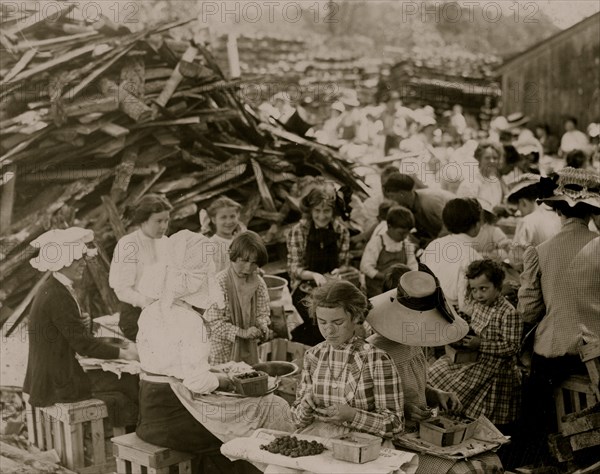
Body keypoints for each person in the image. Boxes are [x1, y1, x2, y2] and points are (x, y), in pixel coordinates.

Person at [135, 230, 278, 474]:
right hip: (176, 418)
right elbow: (197, 381)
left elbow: (174, 368)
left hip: (149, 413)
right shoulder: (190, 320)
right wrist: (227, 378)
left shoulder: (152, 311)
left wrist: (215, 370)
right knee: (256, 422)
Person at [517, 167, 600, 465]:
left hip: (557, 355)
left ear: (557, 210)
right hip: (597, 355)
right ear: (591, 212)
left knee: (532, 408)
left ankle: (537, 458)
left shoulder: (540, 251)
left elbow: (528, 310)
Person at [24, 228, 139, 426]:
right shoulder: (58, 295)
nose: (83, 264)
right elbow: (84, 347)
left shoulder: (53, 287)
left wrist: (82, 324)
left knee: (119, 378)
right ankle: (134, 436)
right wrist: (127, 354)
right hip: (57, 384)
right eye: (78, 259)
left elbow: (65, 331)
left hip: (48, 376)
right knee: (129, 381)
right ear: (63, 261)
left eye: (83, 258)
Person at [290, 280, 405, 441]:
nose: (329, 330)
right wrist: (305, 408)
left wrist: (352, 415)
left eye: (338, 322)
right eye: (322, 322)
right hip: (318, 439)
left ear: (356, 317)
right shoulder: (313, 356)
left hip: (362, 446)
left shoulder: (376, 360)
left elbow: (396, 426)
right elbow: (296, 419)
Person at [428, 259, 523, 427]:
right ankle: (450, 420)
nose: (478, 295)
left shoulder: (509, 313)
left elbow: (512, 347)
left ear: (498, 287)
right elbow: (474, 326)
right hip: (474, 358)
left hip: (495, 368)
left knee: (474, 404)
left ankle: (473, 428)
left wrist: (481, 344)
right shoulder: (479, 305)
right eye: (474, 290)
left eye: (484, 289)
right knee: (435, 372)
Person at [287, 182, 350, 345]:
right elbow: (294, 268)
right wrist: (314, 275)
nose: (322, 216)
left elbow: (344, 263)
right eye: (317, 211)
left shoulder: (341, 231)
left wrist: (337, 272)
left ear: (333, 211)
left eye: (327, 211)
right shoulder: (299, 231)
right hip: (304, 286)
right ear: (310, 211)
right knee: (313, 315)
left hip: (333, 284)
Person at [109, 194, 172, 341]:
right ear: (143, 221)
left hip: (164, 313)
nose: (163, 226)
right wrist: (146, 302)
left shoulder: (166, 242)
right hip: (136, 317)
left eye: (166, 221)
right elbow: (121, 289)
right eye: (158, 221)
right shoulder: (128, 245)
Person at [203, 231, 272, 365]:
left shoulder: (258, 283)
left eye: (254, 263)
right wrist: (242, 332)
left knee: (248, 377)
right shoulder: (219, 282)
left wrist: (262, 325)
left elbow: (263, 312)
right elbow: (214, 322)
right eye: (244, 261)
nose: (248, 268)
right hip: (222, 348)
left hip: (248, 347)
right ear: (233, 256)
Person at [420, 198, 483, 311]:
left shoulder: (434, 244)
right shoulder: (473, 257)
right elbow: (466, 306)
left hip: (425, 308)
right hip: (452, 316)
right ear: (477, 225)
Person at [383, 172, 454, 248]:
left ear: (402, 194)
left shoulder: (430, 201)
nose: (391, 200)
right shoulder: (408, 205)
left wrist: (434, 245)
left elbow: (449, 226)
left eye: (392, 196)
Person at [360, 205, 418, 297]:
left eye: (407, 233)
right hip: (378, 289)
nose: (404, 237)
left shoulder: (406, 245)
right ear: (389, 226)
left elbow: (413, 265)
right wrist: (385, 277)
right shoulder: (377, 242)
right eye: (401, 233)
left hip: (399, 288)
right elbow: (366, 267)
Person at [506, 175, 561, 267]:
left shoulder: (526, 222)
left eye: (519, 207)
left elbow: (516, 260)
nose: (520, 212)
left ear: (523, 202)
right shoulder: (557, 217)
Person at [199, 196, 246, 274]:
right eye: (223, 217)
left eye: (232, 216)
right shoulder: (210, 245)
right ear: (214, 220)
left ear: (238, 216)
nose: (229, 221)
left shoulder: (239, 240)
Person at [457, 141, 507, 208]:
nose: (492, 161)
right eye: (487, 158)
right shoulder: (470, 183)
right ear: (479, 159)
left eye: (495, 158)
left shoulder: (496, 182)